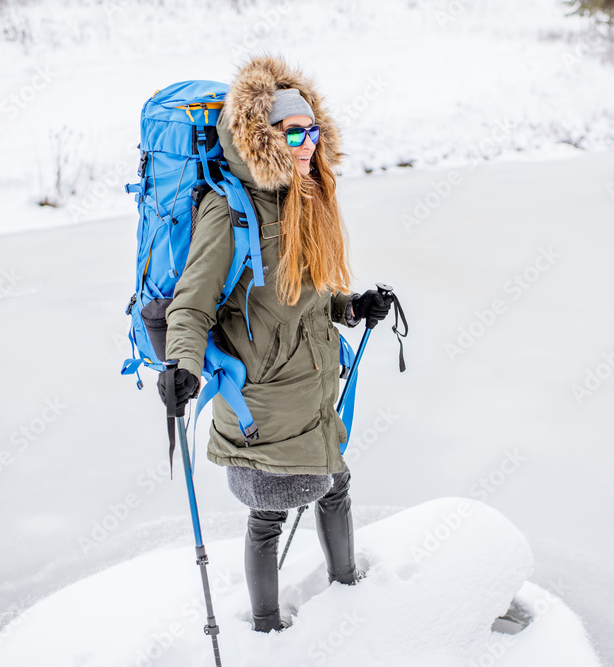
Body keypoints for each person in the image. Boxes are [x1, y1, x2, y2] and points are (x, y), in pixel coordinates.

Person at [157, 55, 391, 633]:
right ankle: (266, 630)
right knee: (268, 515)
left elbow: (305, 294)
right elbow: (191, 302)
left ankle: (349, 592)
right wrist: (182, 363)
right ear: (265, 136)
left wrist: (351, 306)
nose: (307, 143)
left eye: (313, 131)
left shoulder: (304, 198)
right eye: (293, 132)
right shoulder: (230, 209)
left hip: (311, 387)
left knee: (335, 484)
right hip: (260, 396)